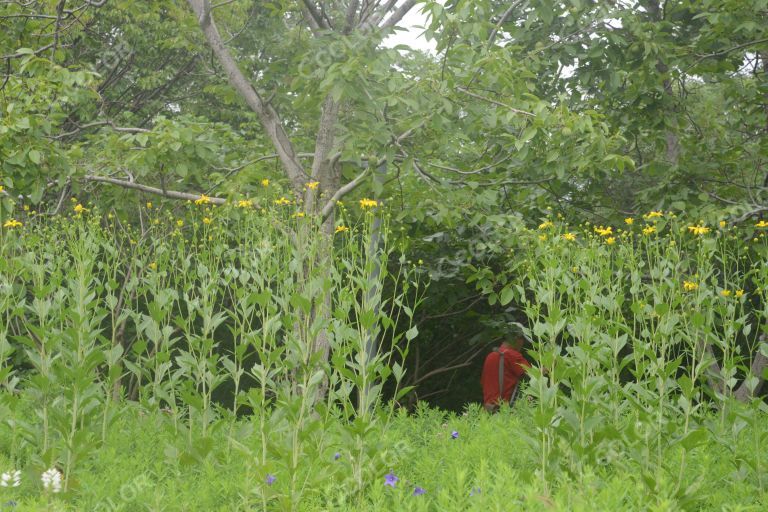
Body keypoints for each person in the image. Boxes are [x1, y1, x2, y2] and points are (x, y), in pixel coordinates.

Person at [481, 335, 531, 413]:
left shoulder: (490, 356)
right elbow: (534, 375)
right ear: (517, 339)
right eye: (522, 340)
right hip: (505, 412)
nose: (522, 344)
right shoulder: (512, 355)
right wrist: (550, 366)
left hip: (488, 411)